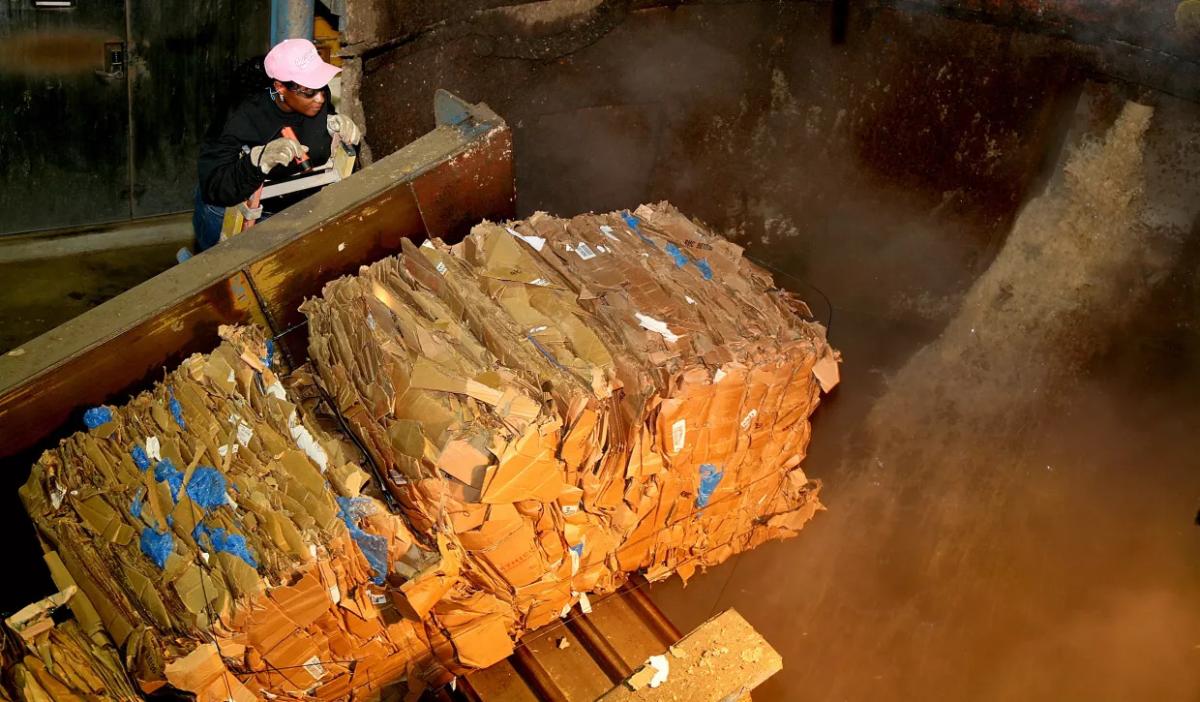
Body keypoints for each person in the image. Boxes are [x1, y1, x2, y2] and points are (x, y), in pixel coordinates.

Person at [192, 38, 363, 252]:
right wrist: (256, 162)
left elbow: (317, 119)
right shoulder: (240, 114)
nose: (320, 98)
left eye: (320, 87)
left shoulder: (316, 97)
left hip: (289, 208)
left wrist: (332, 127)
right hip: (233, 208)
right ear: (280, 87)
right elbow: (213, 185)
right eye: (309, 91)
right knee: (217, 270)